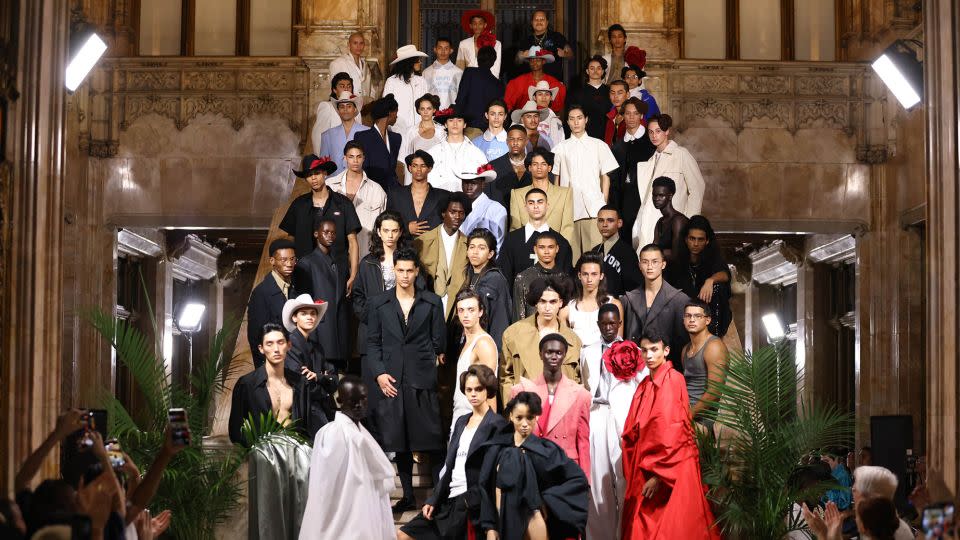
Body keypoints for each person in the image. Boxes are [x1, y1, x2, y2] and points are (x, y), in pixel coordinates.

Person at [365, 248, 447, 514]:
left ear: (417, 272)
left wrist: (427, 365)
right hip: (391, 379)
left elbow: (439, 342)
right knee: (398, 440)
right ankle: (409, 496)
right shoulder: (378, 303)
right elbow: (372, 343)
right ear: (394, 271)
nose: (405, 275)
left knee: (431, 438)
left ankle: (438, 496)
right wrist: (378, 373)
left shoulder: (432, 302)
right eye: (400, 270)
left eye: (409, 270)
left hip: (422, 379)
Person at [620, 330, 721, 540]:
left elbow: (675, 432)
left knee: (673, 529)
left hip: (669, 471)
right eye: (644, 350)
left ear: (666, 351)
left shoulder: (674, 380)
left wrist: (659, 476)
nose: (648, 355)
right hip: (647, 467)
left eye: (654, 350)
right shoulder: (644, 385)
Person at [399, 364, 507, 540]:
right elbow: (450, 466)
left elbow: (493, 476)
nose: (473, 394)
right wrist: (434, 499)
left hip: (469, 502)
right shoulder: (461, 422)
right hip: (447, 498)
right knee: (404, 534)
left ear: (487, 390)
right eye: (469, 389)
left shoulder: (497, 425)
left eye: (478, 389)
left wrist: (488, 519)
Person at [476, 392, 589, 540]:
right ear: (510, 416)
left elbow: (577, 479)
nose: (524, 424)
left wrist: (547, 500)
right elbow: (484, 486)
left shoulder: (547, 451)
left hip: (535, 521)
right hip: (503, 521)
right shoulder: (496, 448)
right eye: (519, 418)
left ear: (536, 417)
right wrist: (489, 527)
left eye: (530, 418)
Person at [298, 376, 396, 540]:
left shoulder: (361, 432)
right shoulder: (332, 432)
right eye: (352, 400)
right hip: (345, 513)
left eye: (363, 399)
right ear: (339, 400)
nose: (359, 405)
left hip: (366, 508)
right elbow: (324, 484)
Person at [584, 306, 647, 540]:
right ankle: (600, 535)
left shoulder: (634, 351)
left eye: (613, 323)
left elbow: (643, 385)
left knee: (623, 476)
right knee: (598, 478)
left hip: (622, 416)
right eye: (604, 324)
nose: (609, 328)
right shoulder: (587, 350)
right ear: (598, 324)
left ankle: (626, 533)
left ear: (620, 323)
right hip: (596, 413)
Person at [510, 333, 591, 476]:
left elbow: (583, 443)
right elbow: (514, 437)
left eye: (559, 353)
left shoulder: (580, 395)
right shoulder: (520, 390)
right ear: (540, 354)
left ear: (565, 355)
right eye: (549, 352)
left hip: (565, 467)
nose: (554, 357)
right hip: (531, 466)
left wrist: (585, 482)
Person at [352, 211, 425, 362]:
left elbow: (421, 292)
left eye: (394, 231)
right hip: (372, 333)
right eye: (386, 230)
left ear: (401, 232)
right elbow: (357, 297)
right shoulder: (367, 263)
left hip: (402, 332)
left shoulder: (410, 261)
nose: (390, 236)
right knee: (372, 381)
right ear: (378, 232)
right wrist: (372, 317)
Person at [282, 153, 362, 291]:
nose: (313, 178)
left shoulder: (343, 204)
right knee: (308, 312)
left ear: (324, 173)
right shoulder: (299, 205)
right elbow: (291, 240)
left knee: (338, 311)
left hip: (338, 273)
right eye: (309, 175)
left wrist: (354, 274)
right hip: (305, 274)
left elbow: (353, 242)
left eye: (317, 173)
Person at [553, 104, 619, 259]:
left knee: (595, 257)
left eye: (579, 118)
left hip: (594, 208)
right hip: (570, 210)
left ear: (586, 120)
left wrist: (603, 202)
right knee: (573, 258)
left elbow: (606, 176)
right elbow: (556, 179)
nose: (576, 122)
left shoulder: (598, 145)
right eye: (572, 119)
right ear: (567, 122)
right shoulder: (560, 148)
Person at [500, 276, 583, 399]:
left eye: (553, 302)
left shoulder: (574, 340)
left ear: (561, 303)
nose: (547, 307)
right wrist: (513, 411)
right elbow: (506, 378)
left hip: (561, 409)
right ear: (536, 303)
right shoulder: (513, 334)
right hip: (527, 409)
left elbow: (576, 380)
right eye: (542, 301)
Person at [634, 113, 706, 249]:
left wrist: (689, 223)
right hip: (651, 224)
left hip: (674, 223)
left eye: (658, 131)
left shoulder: (681, 154)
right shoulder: (650, 160)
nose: (654, 136)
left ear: (667, 131)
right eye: (650, 132)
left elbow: (697, 188)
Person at [230, 324, 308, 444]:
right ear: (261, 348)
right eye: (269, 344)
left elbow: (306, 426)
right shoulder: (247, 384)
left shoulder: (300, 383)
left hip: (295, 454)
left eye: (281, 342)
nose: (276, 349)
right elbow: (235, 431)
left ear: (289, 345)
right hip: (261, 456)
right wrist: (256, 451)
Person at [621, 244, 690, 371]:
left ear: (663, 264)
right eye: (645, 262)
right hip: (634, 372)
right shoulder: (628, 300)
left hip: (668, 371)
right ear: (639, 266)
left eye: (655, 262)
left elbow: (683, 344)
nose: (650, 266)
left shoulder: (679, 300)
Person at [667, 215, 735, 344]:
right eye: (692, 239)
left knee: (719, 287)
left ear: (707, 241)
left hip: (708, 319)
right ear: (686, 239)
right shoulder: (677, 262)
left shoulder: (713, 258)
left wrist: (710, 281)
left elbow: (725, 274)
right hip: (684, 318)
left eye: (700, 239)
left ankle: (713, 339)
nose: (696, 244)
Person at [294, 218, 350, 371]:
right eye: (325, 232)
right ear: (316, 234)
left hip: (340, 330)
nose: (330, 236)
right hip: (322, 330)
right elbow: (305, 302)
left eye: (333, 233)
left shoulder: (340, 262)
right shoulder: (306, 263)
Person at [281, 295, 339, 435]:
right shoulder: (291, 345)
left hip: (320, 406)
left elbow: (334, 379)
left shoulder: (317, 347)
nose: (310, 317)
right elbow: (302, 383)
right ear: (294, 318)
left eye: (313, 313)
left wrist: (318, 377)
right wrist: (324, 382)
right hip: (302, 408)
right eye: (304, 313)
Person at [501, 186, 574, 287]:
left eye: (540, 202)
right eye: (531, 203)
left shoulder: (561, 242)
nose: (536, 206)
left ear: (547, 205)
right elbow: (505, 278)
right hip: (517, 300)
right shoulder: (511, 240)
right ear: (525, 206)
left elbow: (566, 281)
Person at [326, 141, 387, 258]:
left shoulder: (377, 190)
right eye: (351, 157)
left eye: (359, 157)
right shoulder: (330, 186)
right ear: (344, 158)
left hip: (366, 252)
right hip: (335, 253)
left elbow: (383, 227)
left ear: (364, 158)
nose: (355, 161)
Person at [414, 192, 471, 317]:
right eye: (453, 212)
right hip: (426, 304)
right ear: (443, 213)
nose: (457, 216)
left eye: (461, 213)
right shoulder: (422, 242)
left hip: (455, 308)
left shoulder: (468, 245)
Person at [448, 291, 499, 421]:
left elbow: (490, 390)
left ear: (480, 312)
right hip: (462, 415)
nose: (465, 315)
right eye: (461, 310)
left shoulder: (483, 343)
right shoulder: (467, 340)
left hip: (476, 420)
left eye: (471, 310)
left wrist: (490, 429)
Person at [610, 97, 657, 237]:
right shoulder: (617, 146)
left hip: (645, 202)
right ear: (622, 115)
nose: (631, 117)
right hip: (623, 205)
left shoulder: (651, 143)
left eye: (635, 113)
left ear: (641, 115)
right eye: (628, 113)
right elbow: (614, 182)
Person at [248, 238, 298, 367]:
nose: (289, 264)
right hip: (272, 366)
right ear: (272, 261)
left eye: (292, 259)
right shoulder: (261, 293)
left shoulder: (295, 290)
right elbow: (256, 336)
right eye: (283, 260)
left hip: (294, 363)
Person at [681, 300, 728, 431]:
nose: (691, 320)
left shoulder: (714, 346)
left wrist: (689, 414)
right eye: (688, 316)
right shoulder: (685, 349)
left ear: (707, 320)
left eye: (697, 316)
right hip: (684, 412)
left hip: (702, 419)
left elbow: (715, 391)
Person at [507, 148, 573, 237]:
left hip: (555, 247)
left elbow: (567, 228)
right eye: (535, 164)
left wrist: (560, 249)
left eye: (543, 164)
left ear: (549, 168)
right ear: (529, 168)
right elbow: (515, 228)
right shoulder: (517, 194)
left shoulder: (565, 193)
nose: (539, 167)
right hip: (526, 248)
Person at [561, 252, 623, 346]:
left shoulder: (614, 305)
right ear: (579, 276)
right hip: (576, 359)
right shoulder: (567, 310)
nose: (589, 279)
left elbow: (618, 345)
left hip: (605, 358)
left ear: (601, 276)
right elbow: (563, 346)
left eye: (594, 274)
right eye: (585, 274)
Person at [462, 228, 512, 345]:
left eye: (481, 248)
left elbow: (500, 320)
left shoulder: (495, 279)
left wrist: (496, 354)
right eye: (472, 247)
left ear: (490, 254)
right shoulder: (468, 276)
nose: (475, 252)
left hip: (486, 346)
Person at [512, 231, 575, 320]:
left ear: (557, 249)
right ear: (535, 249)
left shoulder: (565, 279)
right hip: (530, 330)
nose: (546, 251)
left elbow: (569, 313)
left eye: (550, 247)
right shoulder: (523, 278)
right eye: (542, 247)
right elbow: (518, 314)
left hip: (558, 331)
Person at [388, 150, 451, 236]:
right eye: (415, 166)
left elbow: (450, 223)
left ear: (429, 168)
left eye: (423, 166)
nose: (418, 170)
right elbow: (388, 221)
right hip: (403, 246)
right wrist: (406, 228)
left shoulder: (443, 196)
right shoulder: (396, 194)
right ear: (410, 168)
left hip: (432, 246)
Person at [427, 108, 487, 193]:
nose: (455, 124)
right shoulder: (432, 152)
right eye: (451, 120)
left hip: (467, 203)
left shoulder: (477, 153)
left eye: (459, 120)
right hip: (439, 202)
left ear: (465, 124)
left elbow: (484, 182)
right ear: (446, 124)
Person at [353, 94, 403, 191]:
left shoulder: (396, 138)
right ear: (390, 113)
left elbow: (392, 171)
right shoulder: (362, 137)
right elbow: (361, 169)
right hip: (370, 192)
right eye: (396, 112)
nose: (397, 116)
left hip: (392, 194)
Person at [591, 205, 642, 297]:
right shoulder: (595, 251)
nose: (605, 224)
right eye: (601, 220)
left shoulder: (627, 253)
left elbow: (634, 288)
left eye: (610, 220)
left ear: (619, 223)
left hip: (618, 307)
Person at [454, 46, 505, 133]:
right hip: (488, 129)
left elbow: (460, 99)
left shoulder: (469, 73)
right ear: (493, 62)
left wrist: (456, 123)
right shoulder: (499, 84)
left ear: (478, 58)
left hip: (468, 127)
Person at [398, 94, 447, 185]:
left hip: (437, 177)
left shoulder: (442, 131)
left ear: (434, 110)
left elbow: (444, 157)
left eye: (429, 108)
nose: (425, 112)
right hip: (416, 176)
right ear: (418, 110)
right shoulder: (410, 132)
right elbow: (406, 156)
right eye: (422, 109)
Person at [457, 164, 507, 251]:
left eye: (473, 183)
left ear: (483, 184)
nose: (469, 187)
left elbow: (497, 245)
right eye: (465, 182)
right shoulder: (457, 207)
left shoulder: (496, 209)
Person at [513, 9, 574, 81]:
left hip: (553, 81)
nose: (539, 22)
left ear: (547, 22)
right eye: (536, 19)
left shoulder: (557, 37)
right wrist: (521, 56)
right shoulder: (526, 40)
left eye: (542, 19)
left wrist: (565, 54)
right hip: (532, 82)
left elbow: (571, 55)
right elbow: (517, 61)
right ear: (532, 22)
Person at [383, 45, 430, 134]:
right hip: (397, 131)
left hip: (419, 130)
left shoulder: (421, 81)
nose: (420, 62)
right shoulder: (391, 81)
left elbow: (426, 104)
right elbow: (386, 107)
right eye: (417, 60)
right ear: (409, 62)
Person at [318, 91, 368, 175]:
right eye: (341, 107)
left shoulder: (367, 132)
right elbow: (323, 166)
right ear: (338, 110)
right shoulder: (327, 135)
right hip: (334, 184)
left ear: (355, 109)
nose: (345, 109)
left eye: (349, 106)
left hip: (359, 182)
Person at [310, 72, 360, 156]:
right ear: (334, 90)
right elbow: (318, 137)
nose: (346, 89)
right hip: (333, 161)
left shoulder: (357, 110)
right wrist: (323, 162)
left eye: (349, 86)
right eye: (342, 86)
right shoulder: (326, 107)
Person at [504, 47, 566, 113]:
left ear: (543, 61)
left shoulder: (555, 84)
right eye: (532, 60)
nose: (534, 63)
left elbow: (559, 110)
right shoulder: (517, 82)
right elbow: (507, 107)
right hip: (523, 121)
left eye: (538, 60)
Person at [570, 56, 613, 140]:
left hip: (607, 135)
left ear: (603, 71)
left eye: (599, 68)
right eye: (592, 68)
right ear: (587, 71)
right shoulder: (578, 93)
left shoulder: (610, 91)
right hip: (585, 136)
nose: (595, 71)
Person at [488, 125, 530, 209]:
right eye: (512, 139)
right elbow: (488, 197)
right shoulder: (493, 166)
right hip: (500, 217)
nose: (515, 143)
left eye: (520, 139)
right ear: (507, 141)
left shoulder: (535, 165)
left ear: (526, 141)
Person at [651, 176, 689, 263]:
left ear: (670, 196)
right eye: (654, 195)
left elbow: (676, 255)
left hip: (678, 271)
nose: (656, 199)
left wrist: (657, 253)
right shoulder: (660, 222)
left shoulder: (678, 220)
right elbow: (652, 251)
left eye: (661, 195)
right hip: (662, 269)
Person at [328, 32, 373, 102]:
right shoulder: (338, 63)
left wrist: (370, 101)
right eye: (355, 43)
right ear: (349, 45)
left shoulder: (365, 65)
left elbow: (370, 88)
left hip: (364, 107)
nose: (358, 46)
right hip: (346, 105)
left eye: (361, 43)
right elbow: (334, 89)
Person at [456, 10, 502, 77]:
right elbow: (460, 67)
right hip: (470, 82)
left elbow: (496, 67)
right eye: (474, 23)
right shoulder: (463, 44)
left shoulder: (497, 44)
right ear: (471, 25)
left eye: (480, 23)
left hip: (488, 81)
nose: (477, 26)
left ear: (485, 25)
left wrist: (491, 82)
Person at [422, 37, 462, 110]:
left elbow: (461, 95)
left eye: (446, 48)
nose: (443, 52)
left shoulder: (459, 72)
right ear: (435, 49)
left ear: (451, 50)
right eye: (440, 48)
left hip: (452, 115)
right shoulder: (426, 72)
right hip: (432, 113)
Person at [530, 80, 565, 147]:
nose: (544, 97)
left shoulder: (556, 121)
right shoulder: (524, 114)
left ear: (551, 97)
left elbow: (559, 144)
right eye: (540, 94)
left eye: (547, 94)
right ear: (534, 97)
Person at [605, 80, 630, 144]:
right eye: (612, 93)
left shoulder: (633, 116)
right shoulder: (610, 116)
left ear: (627, 95)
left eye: (620, 93)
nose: (615, 96)